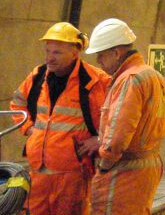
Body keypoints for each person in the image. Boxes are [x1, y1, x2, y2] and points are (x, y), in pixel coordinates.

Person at [10, 22, 110, 215]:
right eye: (48, 51)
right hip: (38, 170)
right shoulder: (37, 76)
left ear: (75, 52)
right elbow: (17, 103)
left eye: (57, 53)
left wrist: (99, 140)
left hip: (72, 173)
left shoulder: (95, 80)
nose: (49, 58)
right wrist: (29, 129)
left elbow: (117, 116)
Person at [84, 19, 165, 214]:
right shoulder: (152, 75)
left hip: (124, 172)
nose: (98, 60)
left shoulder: (129, 80)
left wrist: (105, 165)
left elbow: (118, 135)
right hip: (147, 166)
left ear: (116, 53)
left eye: (101, 55)